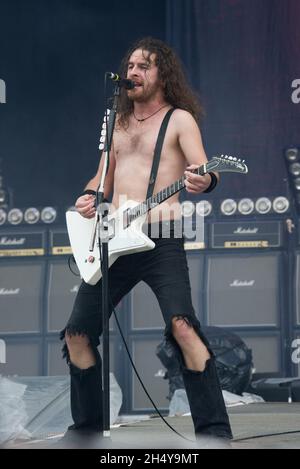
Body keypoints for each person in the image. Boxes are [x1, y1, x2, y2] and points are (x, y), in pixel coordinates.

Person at [60, 37, 233, 446]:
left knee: (183, 328)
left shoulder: (179, 119)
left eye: (145, 66)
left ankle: (214, 434)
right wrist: (89, 198)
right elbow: (102, 175)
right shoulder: (114, 120)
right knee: (77, 335)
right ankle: (86, 431)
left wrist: (205, 179)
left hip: (163, 237)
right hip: (113, 238)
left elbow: (205, 170)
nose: (133, 72)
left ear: (162, 75)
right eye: (131, 65)